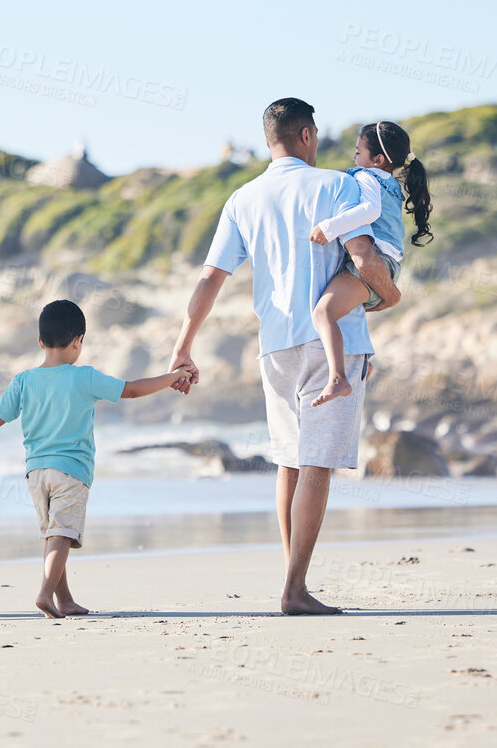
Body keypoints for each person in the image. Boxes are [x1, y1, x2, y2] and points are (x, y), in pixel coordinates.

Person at [168, 97, 401, 616]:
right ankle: (295, 589)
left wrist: (183, 347)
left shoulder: (242, 198)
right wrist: (389, 297)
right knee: (317, 466)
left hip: (274, 345)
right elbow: (363, 256)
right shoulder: (339, 184)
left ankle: (292, 577)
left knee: (290, 464)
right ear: (307, 135)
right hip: (333, 338)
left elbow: (210, 279)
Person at [0, 300, 197, 618]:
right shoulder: (83, 377)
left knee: (54, 535)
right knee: (63, 533)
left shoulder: (23, 380)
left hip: (35, 473)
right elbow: (130, 390)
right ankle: (45, 594)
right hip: (71, 471)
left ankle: (65, 599)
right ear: (78, 341)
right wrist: (170, 377)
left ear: (40, 341)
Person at [308, 121, 433, 407]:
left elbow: (369, 210)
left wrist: (329, 227)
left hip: (374, 263)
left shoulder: (366, 177)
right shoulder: (390, 184)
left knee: (323, 313)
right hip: (387, 264)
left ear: (377, 159)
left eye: (358, 151)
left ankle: (339, 378)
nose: (354, 157)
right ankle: (364, 364)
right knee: (343, 312)